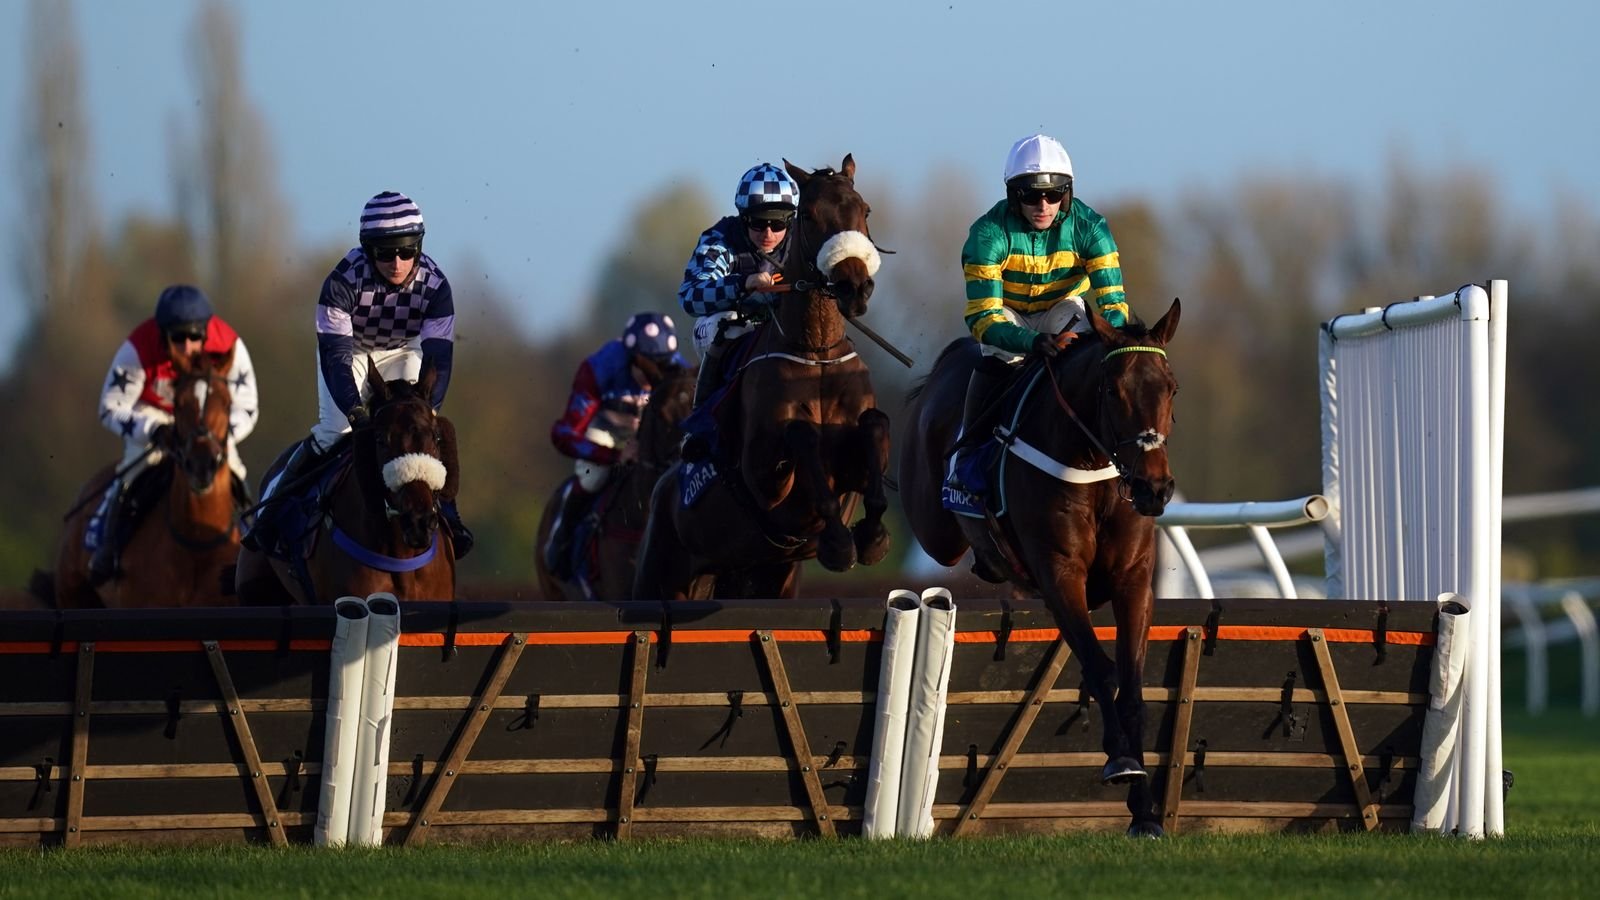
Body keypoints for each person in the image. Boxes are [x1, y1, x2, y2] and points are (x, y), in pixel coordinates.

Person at [244, 190, 473, 557]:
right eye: (384, 253)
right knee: (335, 433)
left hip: (405, 350)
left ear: (419, 246)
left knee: (423, 429)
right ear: (368, 250)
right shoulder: (340, 284)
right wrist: (356, 412)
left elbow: (438, 360)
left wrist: (428, 407)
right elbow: (335, 358)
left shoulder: (437, 287)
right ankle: (270, 518)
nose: (397, 263)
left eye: (407, 251)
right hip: (352, 354)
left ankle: (449, 513)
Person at [944, 134, 1133, 511]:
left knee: (1092, 345)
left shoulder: (1092, 227)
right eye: (1031, 196)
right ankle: (967, 457)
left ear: (1068, 192)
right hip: (1008, 314)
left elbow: (1114, 307)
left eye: (1054, 194)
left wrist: (1104, 342)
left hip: (1061, 308)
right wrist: (1031, 344)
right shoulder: (987, 233)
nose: (1043, 205)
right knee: (998, 354)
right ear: (1014, 195)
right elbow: (983, 318)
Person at [89, 285, 259, 584]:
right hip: (156, 417)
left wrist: (217, 439)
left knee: (234, 467)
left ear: (206, 333)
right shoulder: (138, 348)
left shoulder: (229, 344)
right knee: (137, 466)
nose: (188, 346)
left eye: (195, 337)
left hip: (205, 425)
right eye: (178, 338)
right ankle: (109, 548)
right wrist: (152, 430)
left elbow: (247, 406)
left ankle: (254, 544)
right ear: (162, 335)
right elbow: (109, 406)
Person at [545, 312, 686, 580]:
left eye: (663, 365)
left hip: (648, 440)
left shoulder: (677, 371)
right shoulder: (599, 369)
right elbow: (563, 434)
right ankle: (561, 539)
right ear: (631, 358)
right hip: (605, 436)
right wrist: (615, 455)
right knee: (593, 477)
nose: (655, 376)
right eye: (648, 366)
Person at [675, 162, 799, 458]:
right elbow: (690, 297)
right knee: (729, 324)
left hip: (778, 330)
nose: (768, 233)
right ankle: (700, 424)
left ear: (791, 221)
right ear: (743, 219)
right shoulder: (720, 240)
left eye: (778, 224)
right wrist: (742, 285)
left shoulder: (802, 245)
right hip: (723, 327)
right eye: (758, 223)